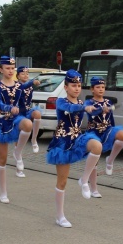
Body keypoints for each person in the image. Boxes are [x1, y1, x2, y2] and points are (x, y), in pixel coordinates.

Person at [45, 69, 102, 228]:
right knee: (62, 182)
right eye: (73, 85)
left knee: (97, 146)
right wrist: (85, 108)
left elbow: (90, 110)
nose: (77, 88)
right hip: (62, 142)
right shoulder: (60, 102)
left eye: (79, 85)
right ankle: (60, 216)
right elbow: (71, 109)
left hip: (78, 138)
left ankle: (84, 179)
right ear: (66, 86)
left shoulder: (81, 103)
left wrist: (99, 108)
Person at [0, 56, 35, 203]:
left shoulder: (19, 86)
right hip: (1, 122)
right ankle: (3, 192)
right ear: (1, 69)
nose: (10, 70)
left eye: (12, 68)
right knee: (2, 159)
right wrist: (9, 107)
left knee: (28, 124)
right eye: (7, 68)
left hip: (15, 119)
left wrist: (25, 112)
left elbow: (22, 103)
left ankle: (18, 152)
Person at [83, 76, 123, 197]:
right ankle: (94, 189)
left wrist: (113, 132)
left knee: (122, 135)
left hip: (107, 130)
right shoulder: (88, 102)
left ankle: (110, 160)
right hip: (93, 132)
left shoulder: (108, 102)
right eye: (98, 87)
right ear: (92, 89)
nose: (101, 89)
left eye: (103, 87)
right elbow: (92, 112)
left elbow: (111, 119)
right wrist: (101, 109)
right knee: (94, 162)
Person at [13, 66, 42, 177]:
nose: (25, 75)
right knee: (18, 142)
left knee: (37, 114)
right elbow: (23, 87)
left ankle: (34, 139)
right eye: (23, 74)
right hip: (17, 114)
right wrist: (32, 82)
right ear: (18, 75)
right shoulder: (16, 85)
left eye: (27, 74)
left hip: (27, 111)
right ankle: (18, 169)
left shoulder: (30, 87)